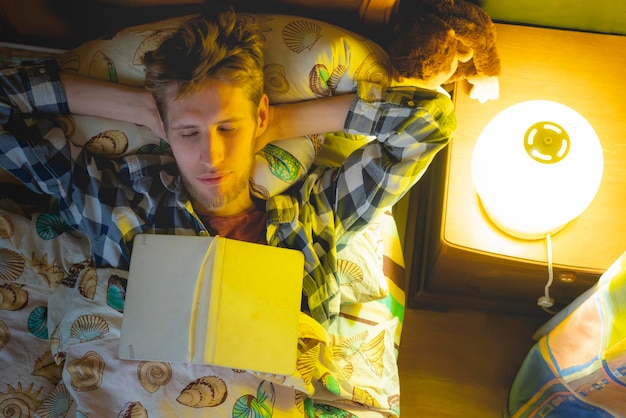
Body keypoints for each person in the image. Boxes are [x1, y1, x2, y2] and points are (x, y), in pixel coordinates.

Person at [0, 5, 455, 327]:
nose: (212, 158)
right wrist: (142, 109)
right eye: (189, 133)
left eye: (227, 129)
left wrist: (279, 122)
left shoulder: (315, 214)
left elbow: (429, 121)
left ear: (257, 117)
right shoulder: (115, 201)